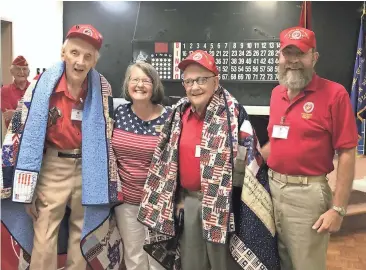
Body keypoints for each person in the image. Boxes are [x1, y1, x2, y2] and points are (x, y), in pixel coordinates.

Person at [138, 50, 280, 270]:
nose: (195, 87)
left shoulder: (234, 114)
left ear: (216, 81)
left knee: (222, 264)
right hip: (190, 203)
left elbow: (252, 162)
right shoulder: (178, 114)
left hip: (225, 206)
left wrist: (238, 206)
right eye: (189, 81)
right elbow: (165, 160)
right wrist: (176, 197)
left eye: (202, 80)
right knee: (192, 263)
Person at [1, 24, 124, 270]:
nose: (80, 61)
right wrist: (24, 184)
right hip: (53, 167)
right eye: (75, 53)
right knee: (44, 232)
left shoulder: (101, 89)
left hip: (88, 167)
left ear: (94, 61)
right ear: (63, 54)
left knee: (82, 233)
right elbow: (19, 131)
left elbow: (108, 133)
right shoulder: (40, 88)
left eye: (88, 56)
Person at [261, 26, 358, 270]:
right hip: (271, 191)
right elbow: (276, 142)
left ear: (314, 58)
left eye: (300, 54)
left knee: (306, 265)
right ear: (279, 57)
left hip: (307, 195)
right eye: (288, 53)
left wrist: (338, 208)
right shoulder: (275, 94)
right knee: (278, 262)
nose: (293, 61)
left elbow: (347, 152)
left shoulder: (335, 94)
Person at [111, 62, 171, 270]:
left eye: (146, 80)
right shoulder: (118, 115)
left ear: (154, 86)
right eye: (134, 79)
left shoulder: (170, 117)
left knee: (159, 260)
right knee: (134, 256)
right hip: (127, 201)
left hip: (159, 202)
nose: (139, 85)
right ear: (127, 84)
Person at [1, 56, 31, 128]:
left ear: (28, 72)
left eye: (24, 69)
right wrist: (29, 116)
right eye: (18, 69)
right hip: (13, 136)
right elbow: (9, 117)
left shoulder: (35, 89)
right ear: (12, 72)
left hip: (32, 135)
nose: (21, 72)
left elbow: (39, 116)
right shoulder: (5, 90)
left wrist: (15, 114)